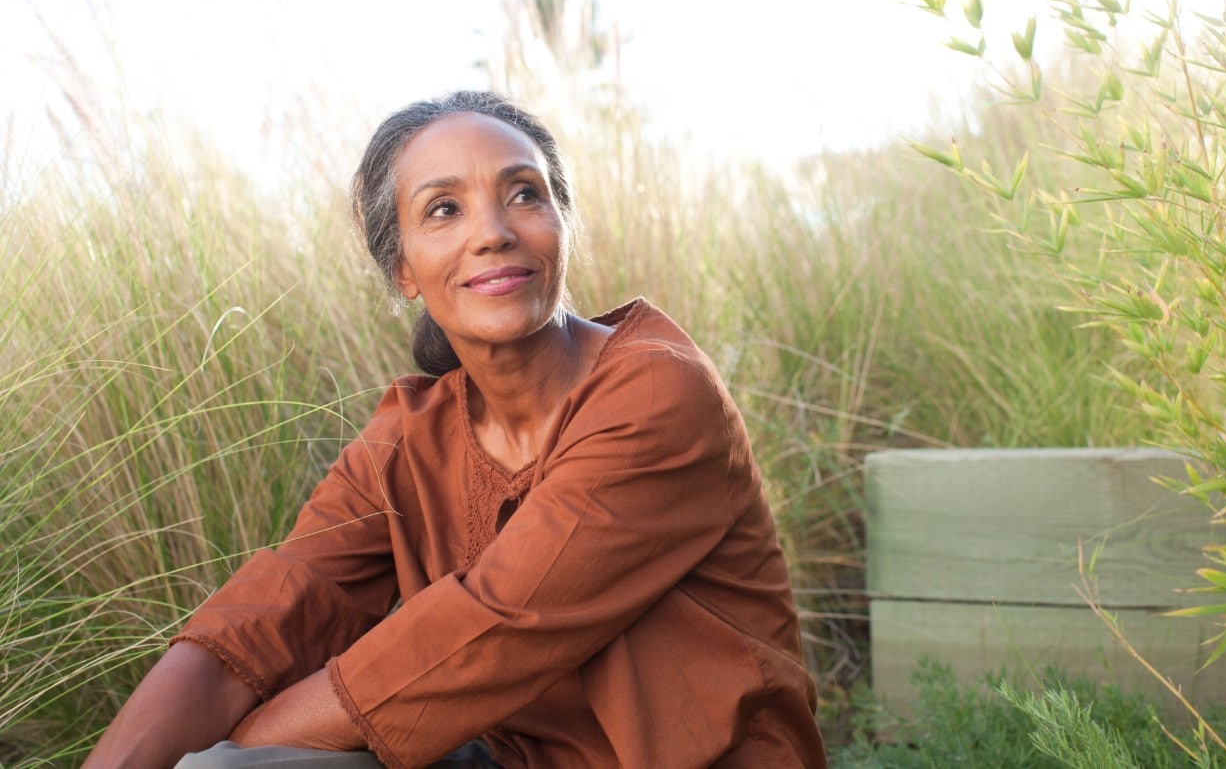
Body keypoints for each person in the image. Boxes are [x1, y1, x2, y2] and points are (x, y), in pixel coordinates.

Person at [85, 91, 827, 768]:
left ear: (561, 226)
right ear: (403, 267)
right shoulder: (411, 438)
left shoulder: (656, 389)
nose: (493, 233)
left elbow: (493, 627)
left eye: (524, 194)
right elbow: (271, 614)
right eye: (444, 209)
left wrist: (237, 747)